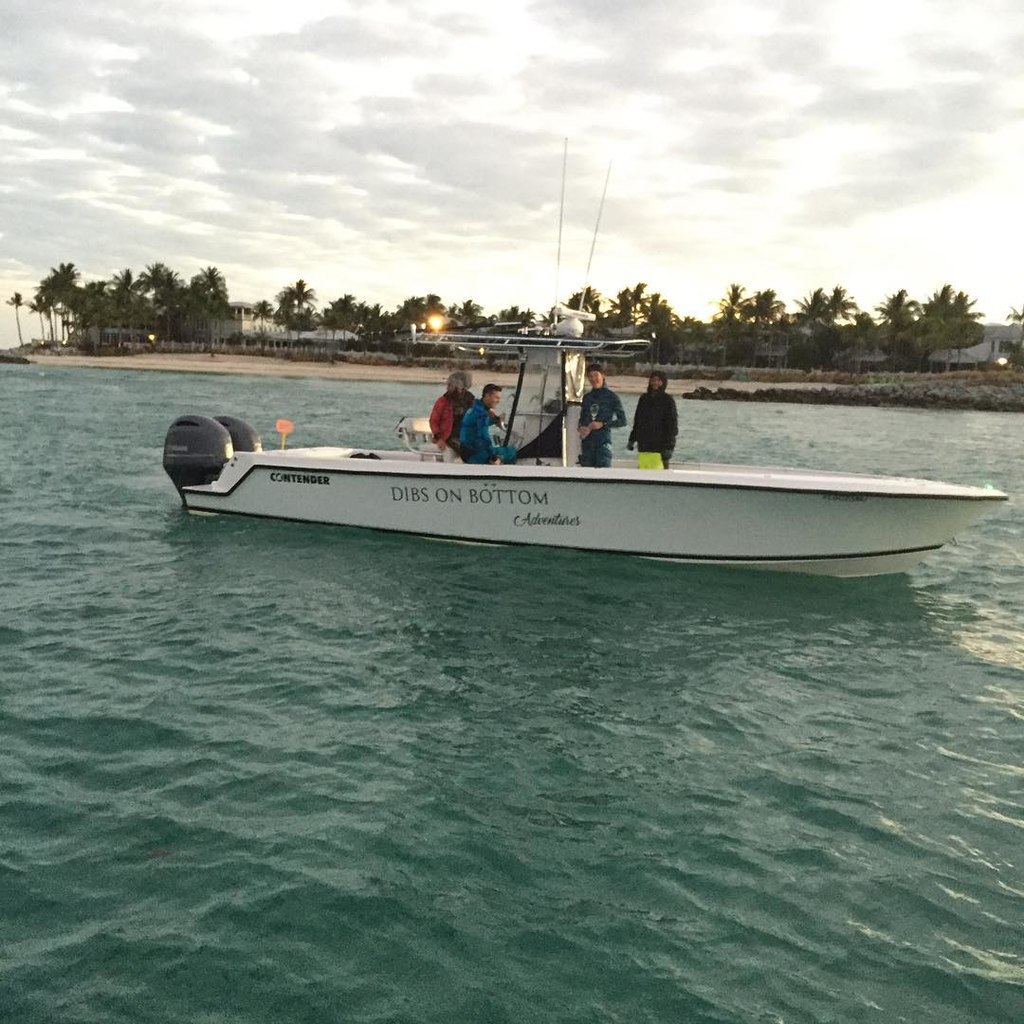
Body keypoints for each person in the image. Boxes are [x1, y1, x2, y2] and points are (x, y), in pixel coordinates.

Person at [577, 363, 626, 468]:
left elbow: (623, 421)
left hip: (603, 443)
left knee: (602, 474)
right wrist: (581, 427)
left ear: (603, 376)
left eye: (596, 375)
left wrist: (603, 424)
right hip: (587, 444)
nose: (593, 379)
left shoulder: (612, 397)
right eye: (590, 376)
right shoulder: (587, 397)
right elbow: (582, 418)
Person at [627, 370, 678, 469]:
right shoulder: (643, 399)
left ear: (663, 382)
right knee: (643, 474)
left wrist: (669, 447)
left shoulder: (668, 400)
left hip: (661, 447)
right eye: (653, 380)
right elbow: (637, 421)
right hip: (644, 445)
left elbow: (672, 425)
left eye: (658, 380)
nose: (655, 383)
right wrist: (632, 439)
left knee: (661, 477)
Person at [459, 383, 517, 464]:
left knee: (507, 450)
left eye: (499, 398)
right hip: (474, 454)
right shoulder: (481, 415)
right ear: (487, 396)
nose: (498, 401)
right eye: (496, 398)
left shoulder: (478, 409)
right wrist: (494, 457)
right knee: (513, 452)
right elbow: (484, 440)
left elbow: (493, 438)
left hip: (470, 451)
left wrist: (494, 421)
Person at [429, 371, 474, 461]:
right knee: (460, 450)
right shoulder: (442, 401)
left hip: (465, 437)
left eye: (450, 385)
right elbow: (433, 421)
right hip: (448, 438)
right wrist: (439, 439)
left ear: (459, 387)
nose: (447, 387)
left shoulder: (471, 401)